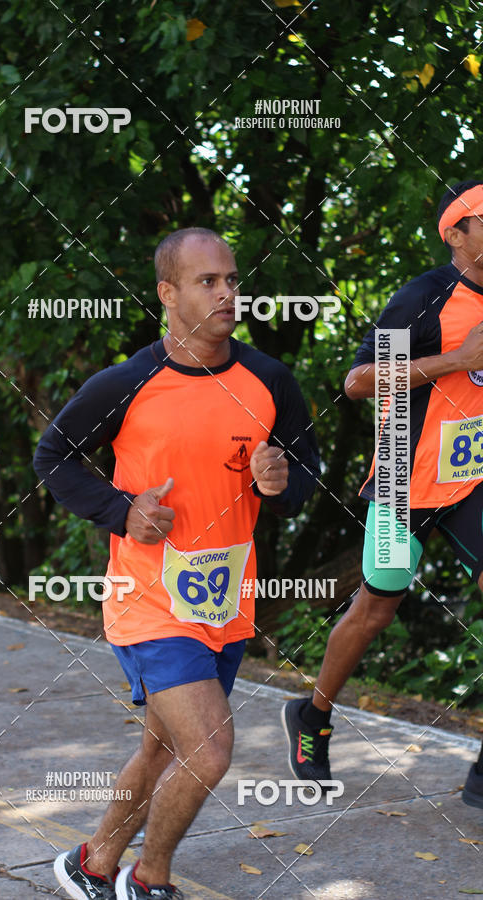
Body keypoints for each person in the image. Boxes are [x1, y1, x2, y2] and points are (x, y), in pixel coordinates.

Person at [33, 227, 320, 900]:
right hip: (150, 600)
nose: (228, 293)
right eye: (207, 282)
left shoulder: (269, 379)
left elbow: (306, 472)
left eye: (232, 280)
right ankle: (149, 880)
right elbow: (54, 458)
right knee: (211, 750)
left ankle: (93, 862)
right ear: (168, 293)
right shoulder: (127, 383)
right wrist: (123, 510)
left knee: (164, 748)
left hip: (226, 603)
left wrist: (282, 483)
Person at [282, 180, 483, 811]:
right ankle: (312, 715)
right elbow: (360, 380)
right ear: (456, 233)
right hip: (403, 473)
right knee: (376, 610)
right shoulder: (424, 300)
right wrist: (455, 359)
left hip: (474, 474)